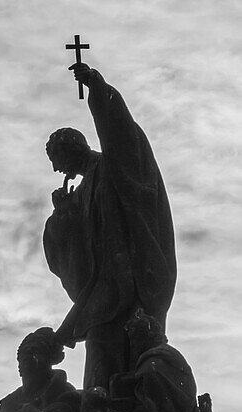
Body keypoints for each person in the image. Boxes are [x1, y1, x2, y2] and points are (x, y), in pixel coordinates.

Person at [43, 63, 175, 393]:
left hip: (133, 281)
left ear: (70, 151)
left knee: (138, 348)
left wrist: (98, 90)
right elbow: (63, 249)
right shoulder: (81, 193)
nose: (58, 169)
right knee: (100, 348)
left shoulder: (117, 164)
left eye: (57, 160)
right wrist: (62, 216)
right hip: (104, 291)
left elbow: (121, 130)